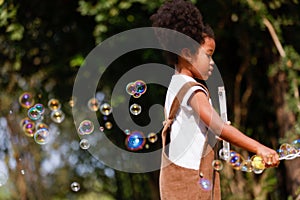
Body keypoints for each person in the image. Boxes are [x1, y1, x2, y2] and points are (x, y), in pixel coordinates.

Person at [150, 0, 280, 199]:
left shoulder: (175, 83)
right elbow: (217, 125)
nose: (212, 63)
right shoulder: (191, 88)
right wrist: (258, 148)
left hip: (183, 181)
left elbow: (199, 130)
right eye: (208, 55)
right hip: (190, 182)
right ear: (186, 53)